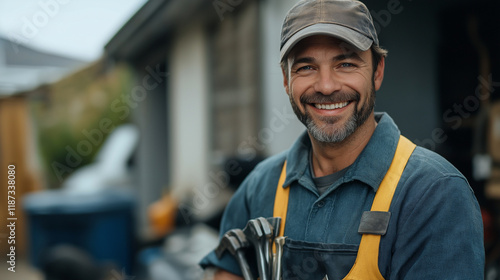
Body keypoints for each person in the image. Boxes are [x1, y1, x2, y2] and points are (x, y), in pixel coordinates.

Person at [200, 0, 485, 279]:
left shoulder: (434, 194)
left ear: (377, 72)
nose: (326, 86)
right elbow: (226, 272)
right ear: (287, 81)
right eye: (306, 67)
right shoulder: (260, 187)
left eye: (346, 64)